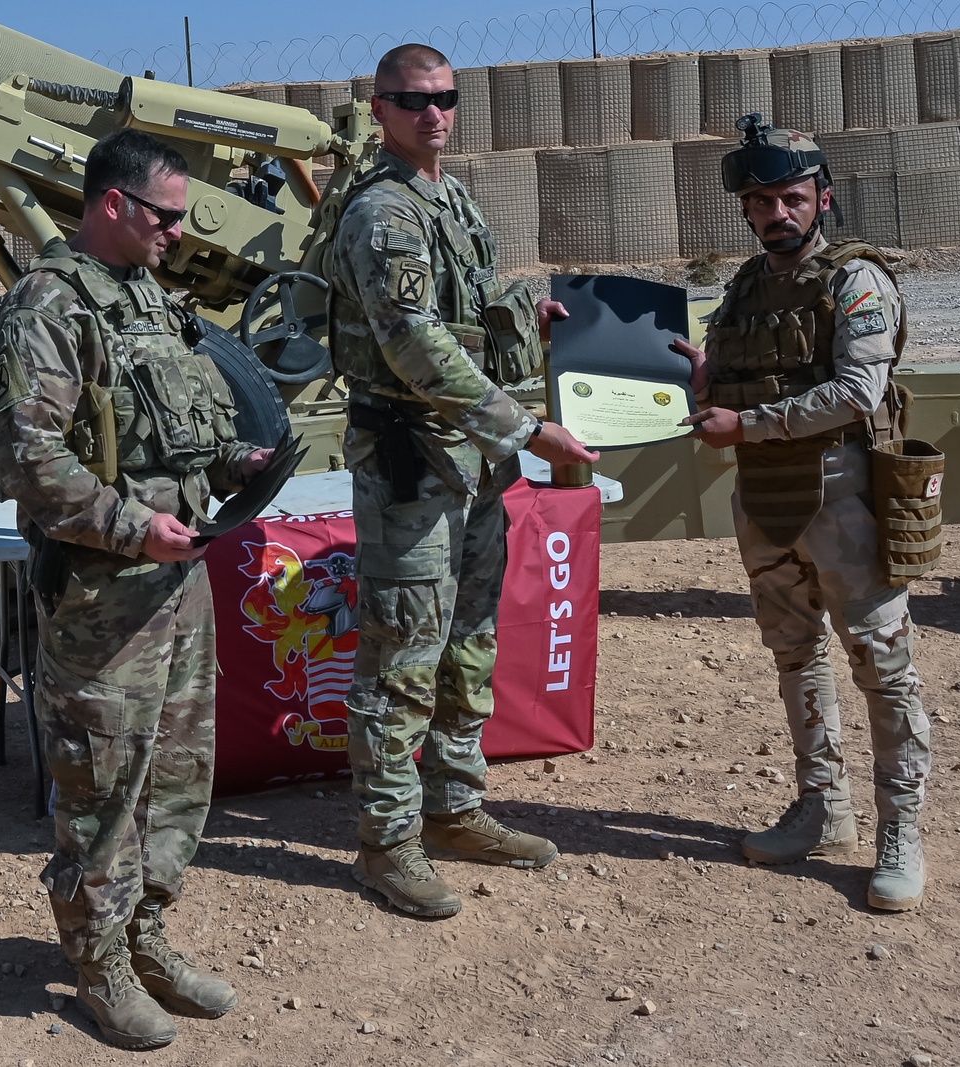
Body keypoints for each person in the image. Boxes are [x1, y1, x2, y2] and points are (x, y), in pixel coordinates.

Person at [0, 128, 274, 1048]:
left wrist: (239, 458)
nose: (179, 234)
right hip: (102, 599)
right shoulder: (47, 305)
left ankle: (146, 935)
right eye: (166, 215)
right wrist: (131, 526)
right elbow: (22, 457)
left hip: (177, 588)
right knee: (103, 783)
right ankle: (97, 961)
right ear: (114, 203)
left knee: (176, 780)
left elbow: (182, 428)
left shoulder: (149, 298)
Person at [328, 43, 599, 919]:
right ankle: (387, 840)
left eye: (444, 97)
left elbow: (458, 314)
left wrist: (524, 316)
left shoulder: (451, 197)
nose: (432, 113)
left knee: (470, 639)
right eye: (412, 101)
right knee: (402, 654)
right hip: (415, 464)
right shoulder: (384, 212)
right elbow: (411, 342)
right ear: (379, 109)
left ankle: (452, 806)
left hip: (473, 462)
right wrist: (526, 427)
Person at [675, 114, 930, 911]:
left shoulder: (857, 280)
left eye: (790, 197)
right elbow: (736, 375)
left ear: (821, 197)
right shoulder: (747, 286)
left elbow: (857, 391)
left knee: (882, 665)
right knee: (796, 655)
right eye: (760, 202)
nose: (776, 213)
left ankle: (902, 828)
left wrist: (744, 423)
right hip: (768, 498)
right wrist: (708, 382)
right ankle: (825, 807)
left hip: (845, 492)